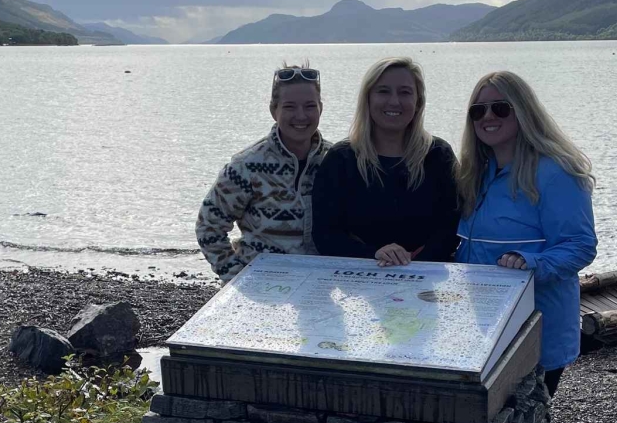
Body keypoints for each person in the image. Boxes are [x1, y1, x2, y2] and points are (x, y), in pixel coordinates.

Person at [454, 71, 597, 423]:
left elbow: (579, 246)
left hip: (537, 327)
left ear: (523, 110)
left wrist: (529, 263)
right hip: (486, 325)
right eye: (479, 110)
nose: (488, 117)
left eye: (500, 108)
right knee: (516, 422)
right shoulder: (476, 172)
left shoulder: (554, 170)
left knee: (524, 422)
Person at [311, 57, 459, 266]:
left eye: (405, 92)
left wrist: (412, 264)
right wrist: (374, 255)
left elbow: (452, 227)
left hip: (426, 279)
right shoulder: (341, 159)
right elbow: (325, 235)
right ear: (368, 99)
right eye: (383, 91)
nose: (394, 101)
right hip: (358, 281)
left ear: (418, 102)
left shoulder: (438, 156)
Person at [196, 65, 330, 280]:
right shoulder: (246, 166)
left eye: (309, 106)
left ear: (320, 109)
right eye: (289, 106)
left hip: (320, 287)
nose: (301, 115)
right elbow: (208, 227)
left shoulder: (335, 161)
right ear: (273, 110)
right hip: (261, 289)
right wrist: (237, 279)